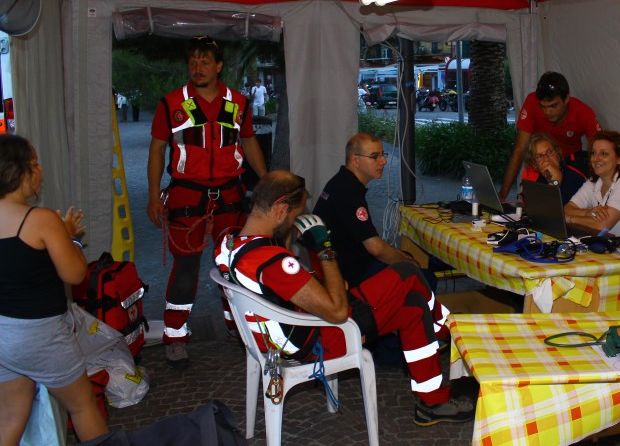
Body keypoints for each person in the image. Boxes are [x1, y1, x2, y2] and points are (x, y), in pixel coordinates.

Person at [214, 170, 474, 426]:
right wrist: (325, 249)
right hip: (320, 340)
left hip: (285, 334)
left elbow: (284, 291)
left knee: (414, 307)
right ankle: (450, 332)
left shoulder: (230, 246)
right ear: (280, 210)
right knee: (406, 272)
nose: (294, 223)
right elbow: (337, 312)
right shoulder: (273, 262)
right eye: (295, 215)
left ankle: (433, 400)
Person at [146, 36, 268, 369]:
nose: (197, 68)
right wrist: (153, 194)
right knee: (185, 271)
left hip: (230, 195)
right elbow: (158, 150)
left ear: (218, 66)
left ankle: (238, 329)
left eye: (204, 62)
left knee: (234, 266)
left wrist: (266, 180)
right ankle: (175, 337)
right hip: (187, 196)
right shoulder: (171, 103)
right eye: (193, 62)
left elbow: (249, 141)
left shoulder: (238, 103)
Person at [0, 135, 109, 444]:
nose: (41, 169)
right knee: (82, 404)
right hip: (40, 334)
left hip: (2, 334)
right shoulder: (41, 220)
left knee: (10, 414)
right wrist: (69, 236)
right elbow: (75, 274)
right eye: (35, 163)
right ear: (20, 172)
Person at [313, 133, 419, 289]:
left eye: (383, 154)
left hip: (338, 262)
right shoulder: (349, 192)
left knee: (404, 258)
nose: (383, 161)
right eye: (375, 157)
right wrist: (409, 263)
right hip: (351, 272)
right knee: (422, 275)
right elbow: (375, 248)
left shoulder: (341, 181)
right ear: (355, 160)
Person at [499, 71, 600, 200]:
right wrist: (503, 195)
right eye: (543, 106)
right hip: (540, 166)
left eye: (553, 105)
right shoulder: (531, 102)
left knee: (564, 203)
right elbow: (519, 150)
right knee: (533, 200)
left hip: (570, 168)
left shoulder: (584, 113)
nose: (548, 112)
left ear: (567, 99)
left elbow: (599, 153)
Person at [525, 133, 585, 203]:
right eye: (540, 156)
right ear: (534, 164)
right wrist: (556, 181)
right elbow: (540, 209)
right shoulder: (536, 182)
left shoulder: (575, 179)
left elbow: (553, 209)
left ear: (558, 154)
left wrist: (556, 181)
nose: (546, 159)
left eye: (550, 152)